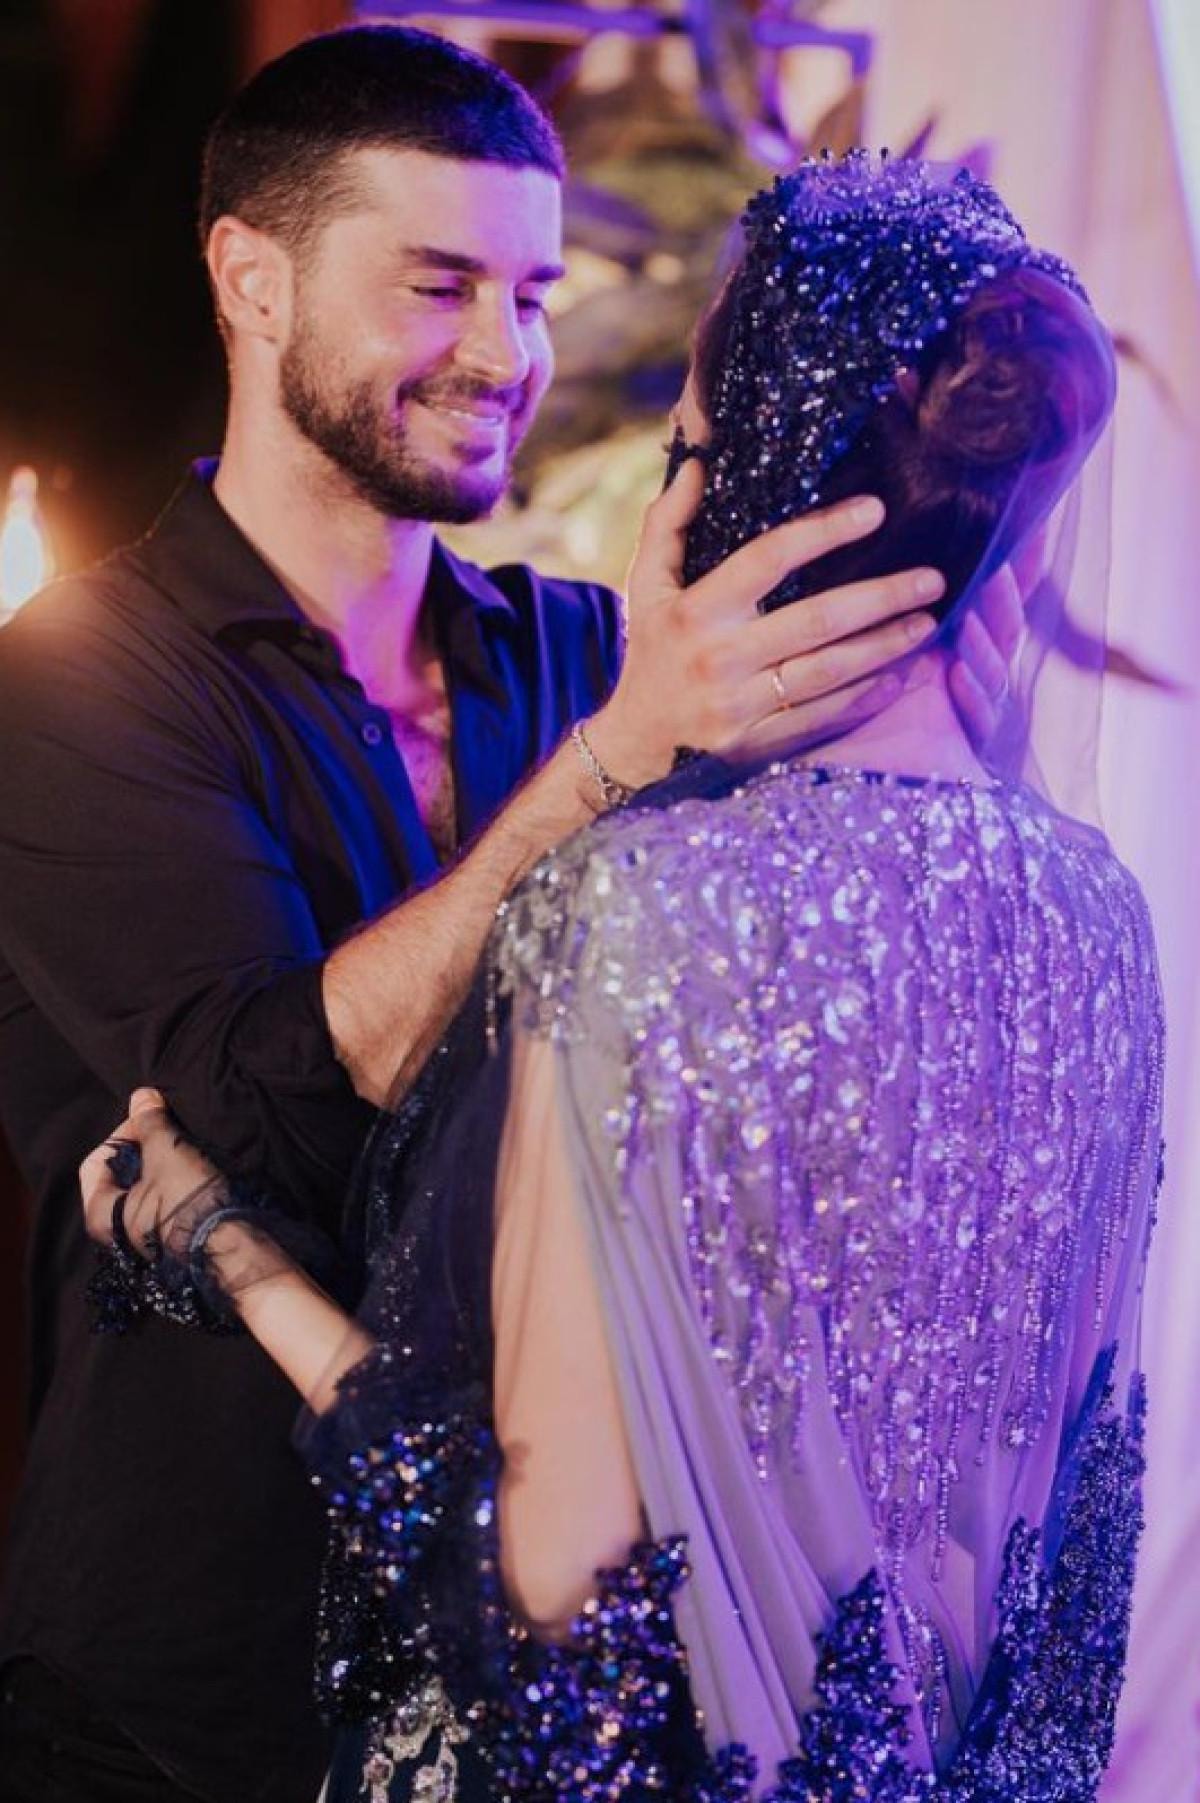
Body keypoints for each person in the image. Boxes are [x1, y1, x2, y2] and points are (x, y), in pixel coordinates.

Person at [0, 30, 1016, 1803]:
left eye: (533, 293)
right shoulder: (78, 678)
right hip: (188, 1692)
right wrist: (617, 760)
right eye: (439, 285)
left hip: (527, 1680)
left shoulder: (581, 651)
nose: (506, 352)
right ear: (250, 278)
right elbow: (269, 1110)